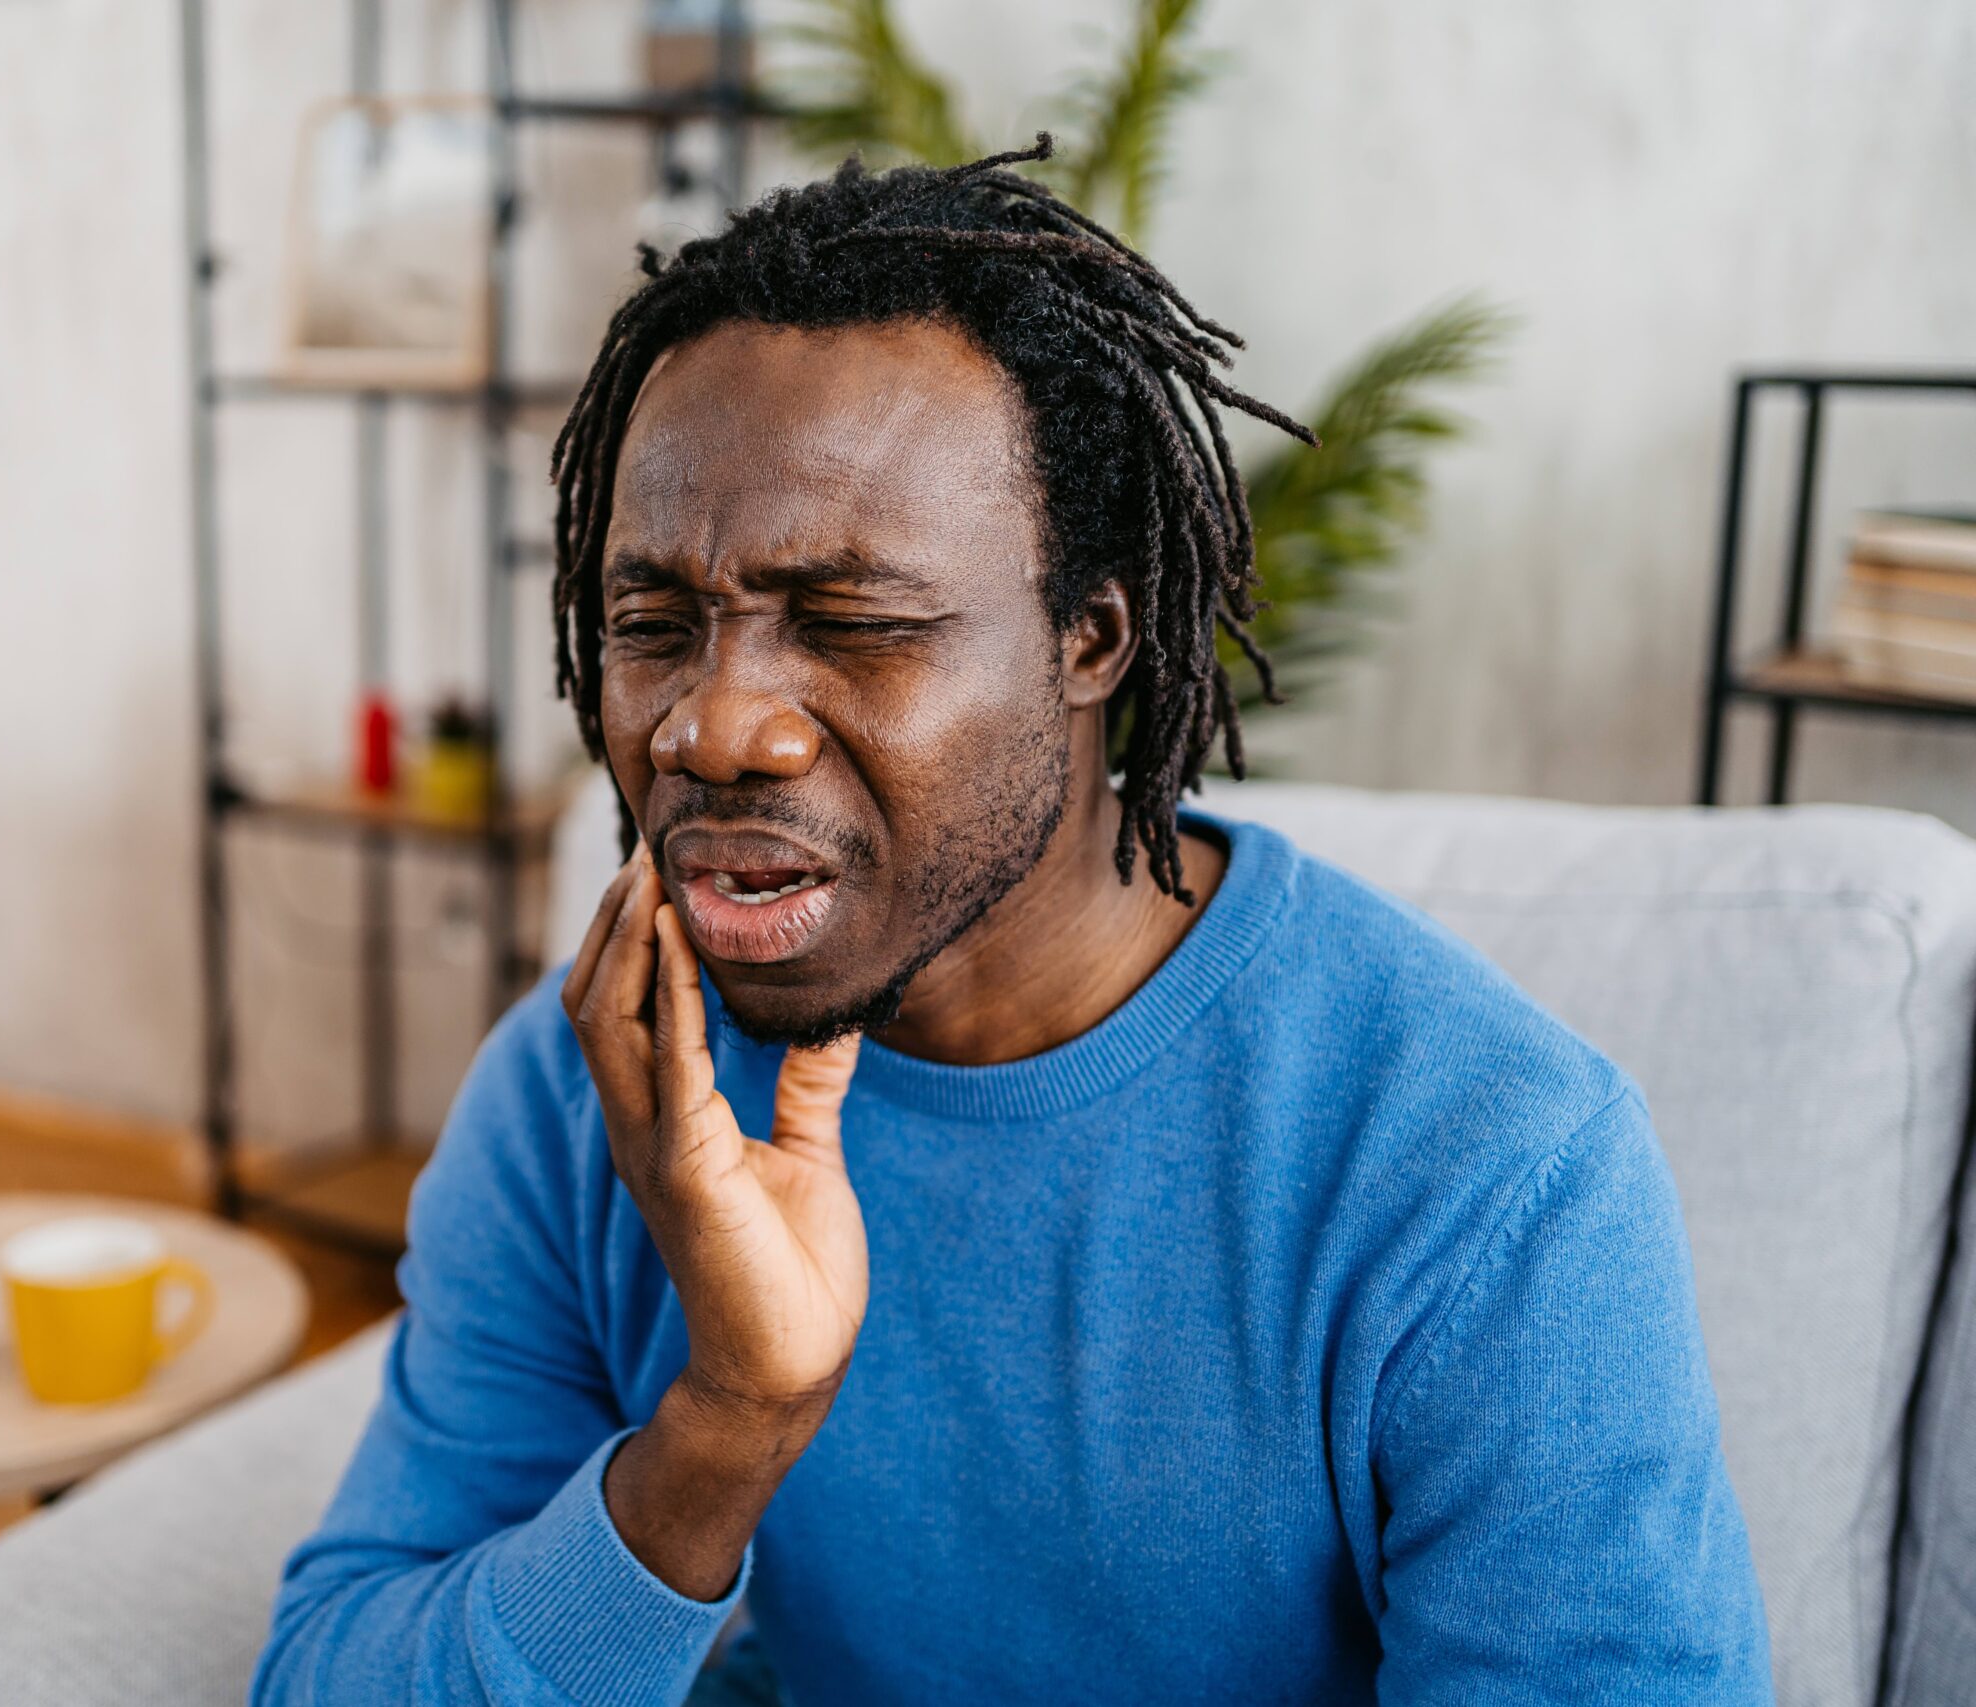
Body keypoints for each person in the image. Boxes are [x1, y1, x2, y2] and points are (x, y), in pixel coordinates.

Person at [253, 140, 1770, 1706]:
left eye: (852, 625)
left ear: (1090, 637)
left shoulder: (1488, 1171)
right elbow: (328, 1675)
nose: (715, 727)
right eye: (654, 626)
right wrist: (722, 1433)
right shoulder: (594, 1092)